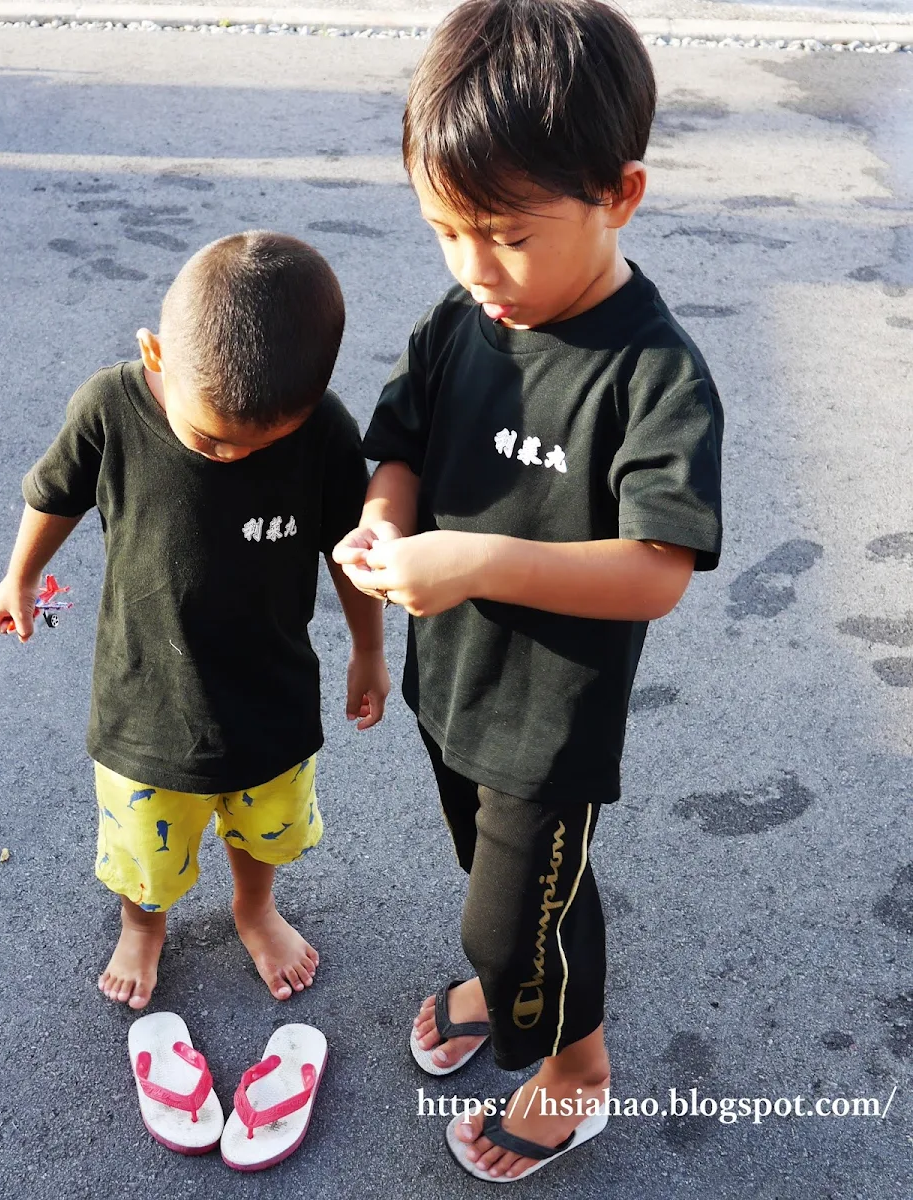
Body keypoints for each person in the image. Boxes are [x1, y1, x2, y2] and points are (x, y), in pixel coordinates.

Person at [333, 0, 724, 1181]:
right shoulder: (465, 320)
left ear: (621, 193)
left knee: (521, 911)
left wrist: (476, 562)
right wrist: (386, 520)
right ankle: (507, 974)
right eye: (445, 230)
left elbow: (658, 572)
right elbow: (397, 441)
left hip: (551, 728)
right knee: (499, 889)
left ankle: (577, 1074)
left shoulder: (655, 376)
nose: (473, 267)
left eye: (504, 232)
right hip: (451, 685)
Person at [0, 231, 389, 1011]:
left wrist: (367, 650)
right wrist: (20, 576)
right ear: (156, 354)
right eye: (210, 438)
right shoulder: (110, 407)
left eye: (258, 445)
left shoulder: (324, 432)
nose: (232, 458)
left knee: (263, 823)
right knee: (147, 847)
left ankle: (253, 908)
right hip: (147, 693)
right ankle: (143, 926)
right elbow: (55, 493)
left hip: (269, 692)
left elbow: (349, 551)